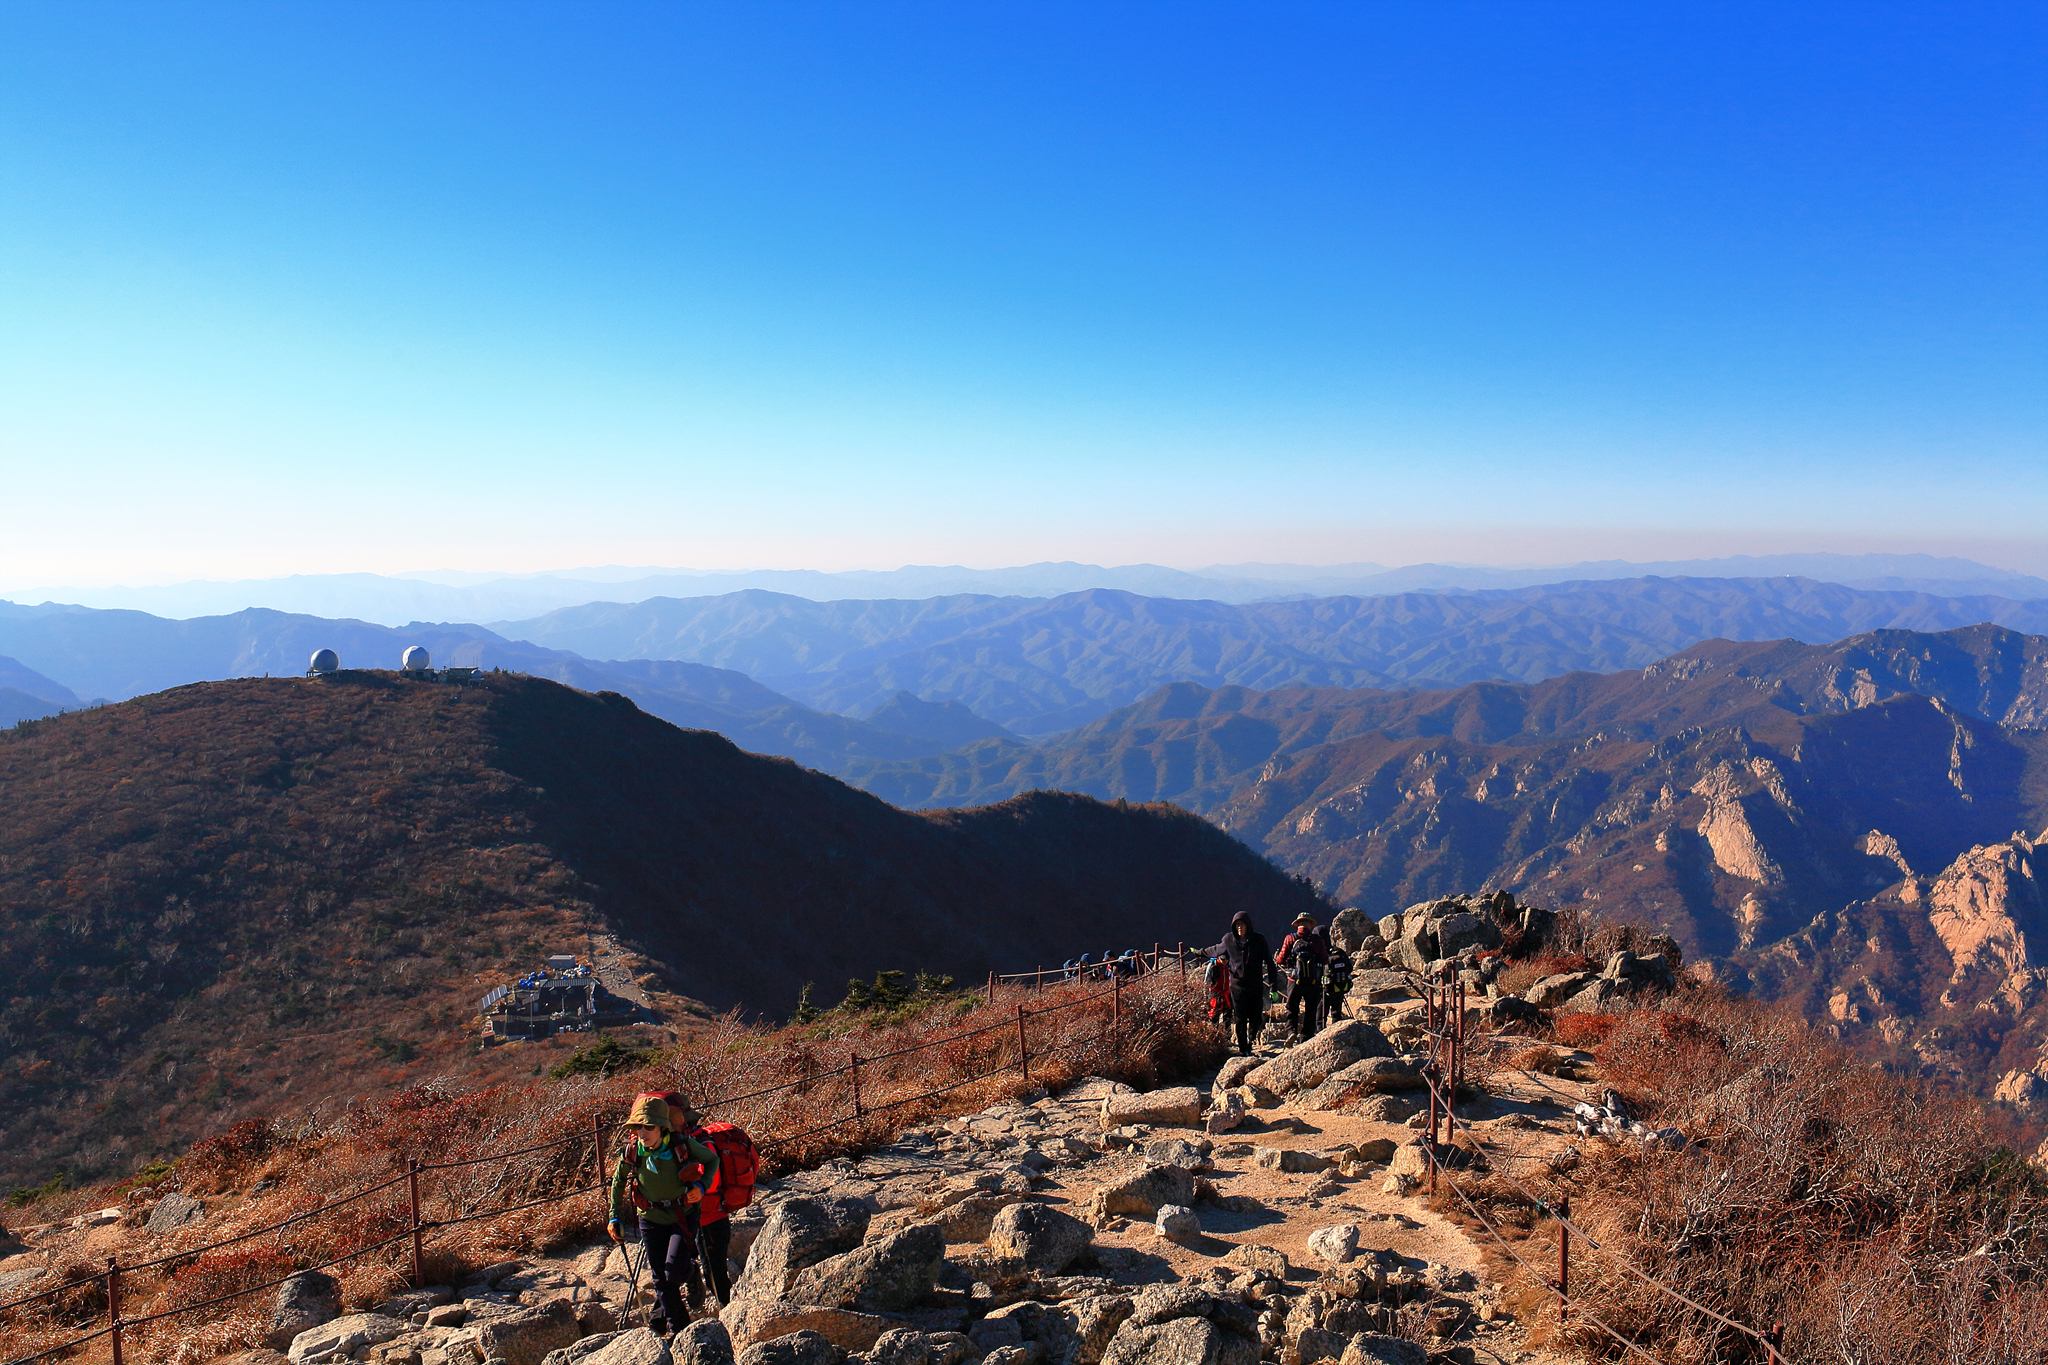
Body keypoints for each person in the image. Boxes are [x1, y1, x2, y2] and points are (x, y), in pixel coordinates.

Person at [607, 1094, 719, 1335]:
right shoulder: (633, 1151)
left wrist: (701, 1187)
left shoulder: (682, 1146)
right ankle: (680, 1331)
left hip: (683, 1215)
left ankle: (691, 1273)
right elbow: (618, 1181)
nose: (642, 1133)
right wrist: (614, 1216)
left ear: (662, 1127)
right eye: (639, 1127)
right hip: (650, 1219)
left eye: (649, 1127)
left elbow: (712, 1160)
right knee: (661, 1279)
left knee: (673, 1272)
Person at [1209, 911, 1284, 1057]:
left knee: (1256, 1018)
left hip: (1255, 986)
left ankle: (1250, 1041)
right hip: (1237, 986)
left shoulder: (1259, 940)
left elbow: (1270, 963)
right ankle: (1243, 1048)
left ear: (1248, 925)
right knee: (1240, 1018)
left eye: (1242, 925)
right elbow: (1215, 949)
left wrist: (1273, 987)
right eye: (1237, 925)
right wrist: (1198, 952)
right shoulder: (1229, 940)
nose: (1239, 928)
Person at [1276, 911, 1331, 1037]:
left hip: (1294, 979)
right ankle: (1306, 1035)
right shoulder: (1317, 940)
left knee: (1292, 1007)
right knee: (1311, 1008)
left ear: (1297, 924)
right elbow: (1324, 959)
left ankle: (1291, 1030)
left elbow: (1281, 959)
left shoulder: (1290, 938)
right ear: (1310, 925)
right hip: (1312, 980)